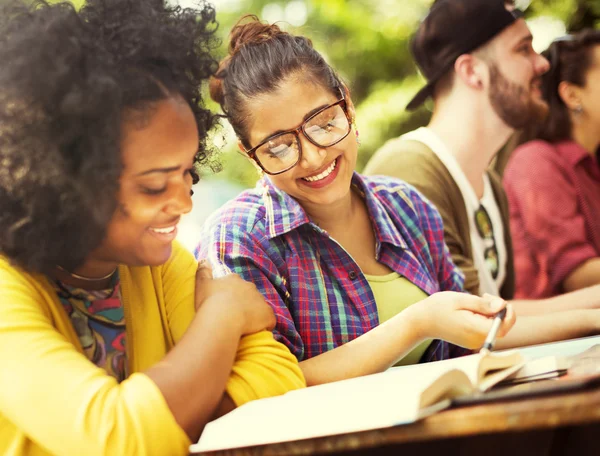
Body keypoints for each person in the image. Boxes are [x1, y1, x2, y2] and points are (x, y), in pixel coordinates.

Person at [196, 13, 600, 388]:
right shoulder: (239, 239)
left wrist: (590, 321)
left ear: (347, 104)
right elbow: (264, 387)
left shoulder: (406, 206)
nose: (314, 156)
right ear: (250, 154)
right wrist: (414, 325)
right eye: (279, 147)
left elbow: (473, 332)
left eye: (324, 123)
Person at [0, 1, 304, 455]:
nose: (183, 203)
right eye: (154, 186)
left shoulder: (158, 264)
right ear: (67, 181)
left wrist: (165, 418)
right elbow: (122, 440)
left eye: (186, 174)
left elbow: (277, 371)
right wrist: (224, 317)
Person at [364, 0, 600, 317]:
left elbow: (500, 312)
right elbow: (467, 324)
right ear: (472, 71)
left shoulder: (491, 187)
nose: (542, 63)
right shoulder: (408, 170)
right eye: (523, 49)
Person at [503, 29, 600, 298]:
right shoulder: (535, 162)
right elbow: (576, 274)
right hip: (555, 337)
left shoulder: (591, 166)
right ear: (572, 96)